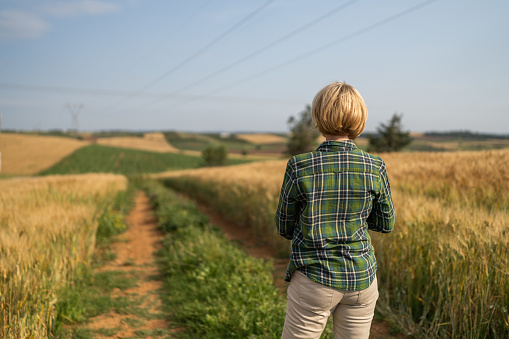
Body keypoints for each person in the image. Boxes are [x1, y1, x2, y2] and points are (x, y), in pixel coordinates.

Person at [275, 81, 395, 339]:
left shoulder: (299, 166)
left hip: (314, 277)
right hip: (362, 278)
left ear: (319, 116)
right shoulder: (375, 166)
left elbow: (283, 226)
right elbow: (386, 223)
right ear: (359, 116)